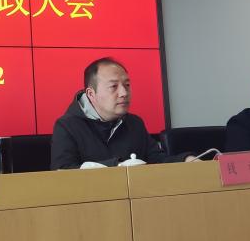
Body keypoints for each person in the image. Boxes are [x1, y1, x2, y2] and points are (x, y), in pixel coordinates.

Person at [51, 57, 185, 169]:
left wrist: (185, 160)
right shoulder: (67, 126)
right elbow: (62, 172)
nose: (124, 93)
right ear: (91, 94)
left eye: (127, 85)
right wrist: (118, 166)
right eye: (113, 86)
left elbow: (157, 160)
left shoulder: (135, 123)